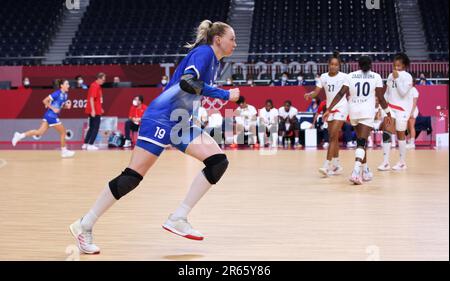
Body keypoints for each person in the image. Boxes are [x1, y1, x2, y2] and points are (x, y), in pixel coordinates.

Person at [69, 20, 240, 254]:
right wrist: (225, 95)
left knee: (218, 161)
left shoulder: (214, 63)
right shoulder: (204, 53)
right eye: (232, 38)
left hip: (180, 121)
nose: (235, 43)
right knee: (132, 177)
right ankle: (84, 224)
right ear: (218, 39)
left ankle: (178, 217)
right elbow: (188, 83)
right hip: (161, 117)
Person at [325, 56, 391, 185]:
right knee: (362, 142)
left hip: (353, 111)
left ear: (358, 65)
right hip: (366, 113)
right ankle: (355, 172)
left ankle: (365, 170)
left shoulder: (350, 76)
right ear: (370, 65)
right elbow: (381, 98)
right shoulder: (376, 77)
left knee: (361, 141)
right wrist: (388, 113)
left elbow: (340, 94)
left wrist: (329, 109)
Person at [304, 51, 348, 177]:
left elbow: (342, 94)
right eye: (332, 64)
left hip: (341, 107)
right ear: (328, 65)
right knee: (333, 137)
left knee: (333, 135)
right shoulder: (323, 77)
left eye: (336, 65)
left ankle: (326, 165)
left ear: (339, 66)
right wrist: (309, 95)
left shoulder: (344, 77)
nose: (333, 66)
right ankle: (337, 164)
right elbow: (316, 92)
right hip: (329, 109)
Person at [12, 79, 75, 158]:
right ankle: (64, 151)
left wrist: (66, 106)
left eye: (68, 84)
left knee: (39, 132)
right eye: (67, 84)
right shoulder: (57, 93)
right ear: (61, 86)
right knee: (63, 132)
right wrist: (53, 108)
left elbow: (60, 106)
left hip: (49, 116)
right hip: (51, 116)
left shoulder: (65, 95)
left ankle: (19, 135)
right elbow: (45, 101)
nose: (68, 85)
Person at [378, 53, 414, 171]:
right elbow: (387, 93)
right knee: (387, 131)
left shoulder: (407, 77)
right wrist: (381, 106)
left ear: (404, 65)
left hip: (403, 110)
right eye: (394, 65)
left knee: (400, 135)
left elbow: (403, 92)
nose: (395, 67)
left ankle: (402, 162)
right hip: (390, 108)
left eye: (398, 65)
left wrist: (397, 78)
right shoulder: (390, 76)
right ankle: (385, 162)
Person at [82, 73, 106, 151]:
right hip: (95, 111)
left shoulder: (96, 86)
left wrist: (100, 108)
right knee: (96, 127)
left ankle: (85, 144)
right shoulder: (95, 86)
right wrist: (93, 110)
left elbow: (97, 100)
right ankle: (91, 144)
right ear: (99, 78)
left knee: (91, 127)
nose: (104, 81)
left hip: (96, 109)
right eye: (103, 79)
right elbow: (91, 98)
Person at [407, 77, 420, 149]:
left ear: (413, 83)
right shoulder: (407, 91)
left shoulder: (414, 90)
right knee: (408, 127)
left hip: (413, 111)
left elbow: (414, 103)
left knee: (411, 126)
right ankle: (409, 141)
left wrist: (411, 112)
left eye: (410, 82)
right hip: (407, 111)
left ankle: (412, 143)